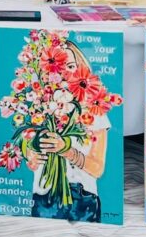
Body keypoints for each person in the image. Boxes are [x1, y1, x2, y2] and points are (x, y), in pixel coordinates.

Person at [23, 40, 109, 221]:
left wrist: (66, 151)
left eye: (70, 66)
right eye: (57, 67)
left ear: (81, 69)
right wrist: (33, 158)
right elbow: (30, 155)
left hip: (82, 197)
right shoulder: (39, 107)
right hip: (43, 195)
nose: (64, 74)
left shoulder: (94, 111)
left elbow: (97, 168)